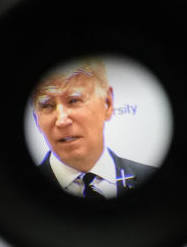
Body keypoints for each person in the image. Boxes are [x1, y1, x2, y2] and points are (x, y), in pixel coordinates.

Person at [32, 59, 156, 198]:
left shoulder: (156, 183)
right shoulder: (17, 192)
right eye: (47, 105)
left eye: (73, 101)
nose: (61, 120)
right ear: (36, 119)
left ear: (107, 103)